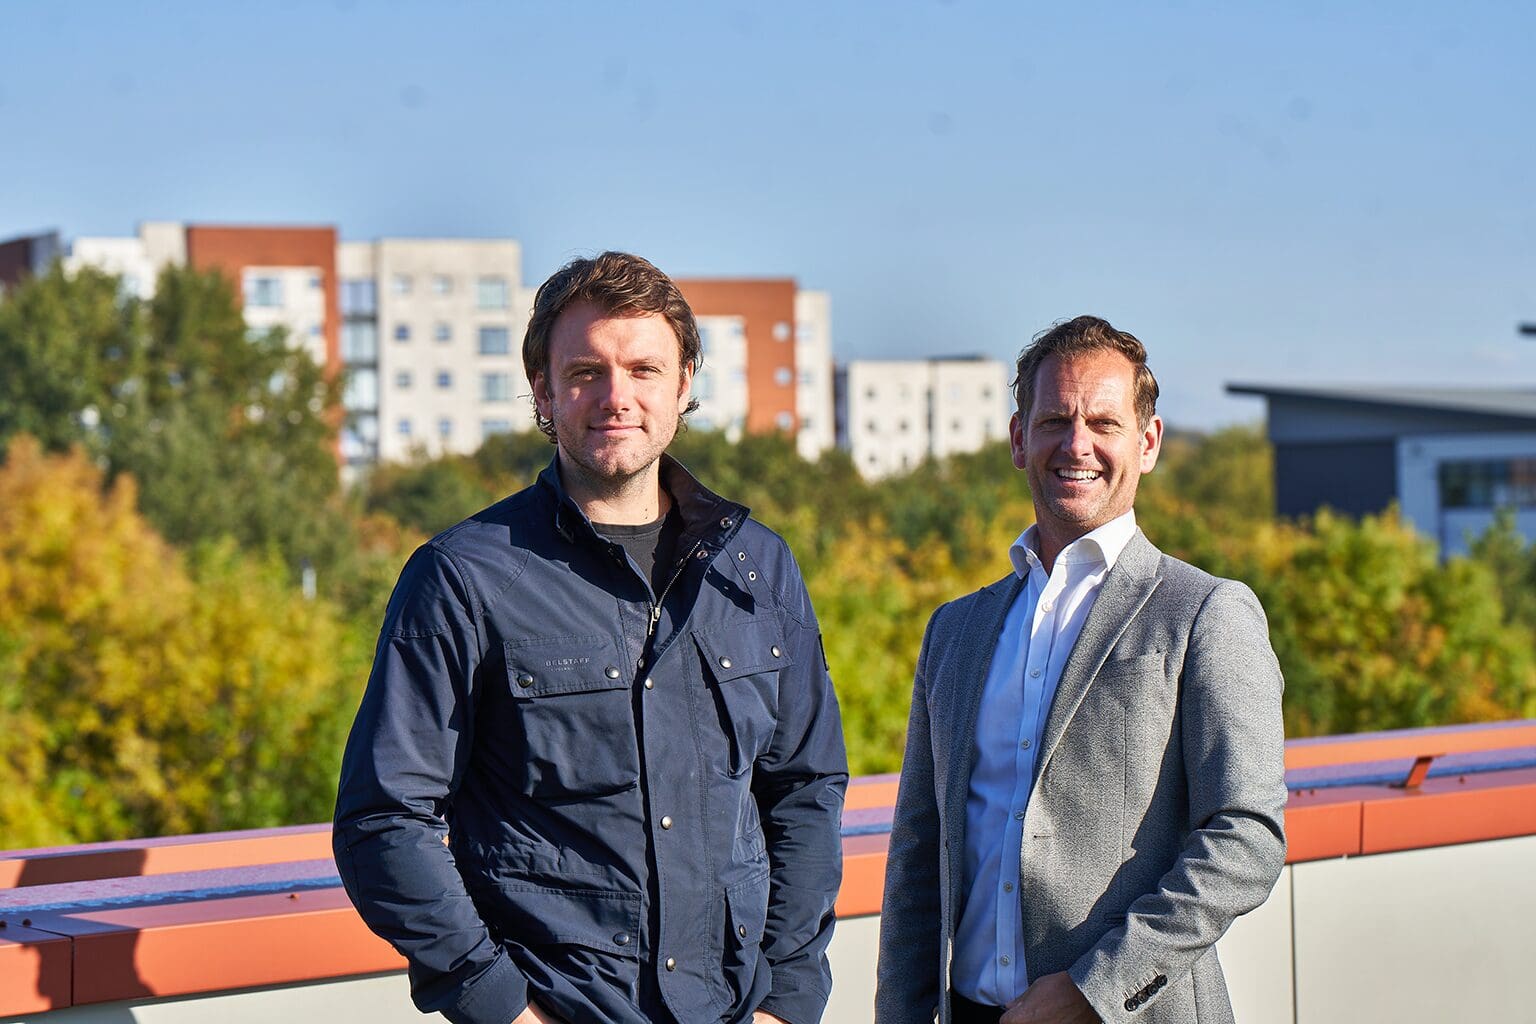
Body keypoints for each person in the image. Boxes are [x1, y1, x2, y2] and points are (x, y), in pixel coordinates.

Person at [334, 251, 848, 1024]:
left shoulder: (758, 567)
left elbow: (804, 789)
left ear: (682, 386)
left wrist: (788, 998)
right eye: (586, 373)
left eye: (644, 369)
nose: (618, 397)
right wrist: (499, 1003)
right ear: (543, 391)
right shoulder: (463, 579)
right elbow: (383, 818)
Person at [874, 316, 1287, 1024]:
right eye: (1055, 420)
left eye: (1104, 422)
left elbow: (1247, 837)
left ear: (1147, 442)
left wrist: (1094, 988)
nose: (1077, 444)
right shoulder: (955, 631)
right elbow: (919, 852)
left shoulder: (1205, 614)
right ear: (1017, 438)